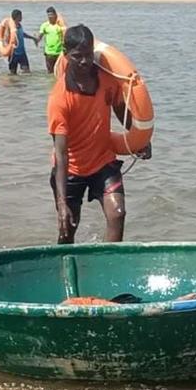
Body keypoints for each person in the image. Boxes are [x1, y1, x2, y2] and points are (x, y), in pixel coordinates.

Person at [46, 24, 137, 244]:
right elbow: (61, 154)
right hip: (72, 169)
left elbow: (119, 108)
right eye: (77, 56)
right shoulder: (60, 98)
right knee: (67, 229)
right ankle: (64, 262)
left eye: (88, 54)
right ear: (65, 54)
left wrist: (138, 139)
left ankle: (109, 262)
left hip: (103, 162)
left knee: (118, 213)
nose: (85, 61)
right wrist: (61, 204)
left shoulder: (107, 79)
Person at [6, 9, 38, 75]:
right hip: (13, 54)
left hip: (22, 52)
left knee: (27, 72)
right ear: (16, 17)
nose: (21, 17)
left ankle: (22, 81)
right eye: (20, 16)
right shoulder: (10, 27)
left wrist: (32, 38)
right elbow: (6, 38)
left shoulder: (20, 25)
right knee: (12, 73)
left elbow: (22, 34)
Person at [39, 6, 66, 74]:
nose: (50, 17)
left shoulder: (60, 25)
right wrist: (35, 39)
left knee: (59, 72)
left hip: (59, 53)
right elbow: (40, 36)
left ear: (55, 15)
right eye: (48, 15)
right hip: (49, 53)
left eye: (51, 15)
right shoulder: (44, 25)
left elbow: (65, 36)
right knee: (50, 73)